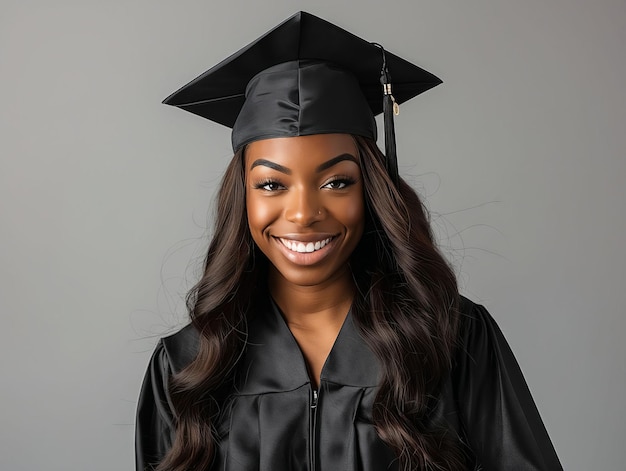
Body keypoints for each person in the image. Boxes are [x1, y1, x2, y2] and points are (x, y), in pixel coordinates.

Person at [135, 11, 562, 471]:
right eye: (272, 185)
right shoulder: (188, 366)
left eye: (336, 182)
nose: (303, 214)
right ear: (242, 199)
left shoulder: (452, 339)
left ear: (372, 192)